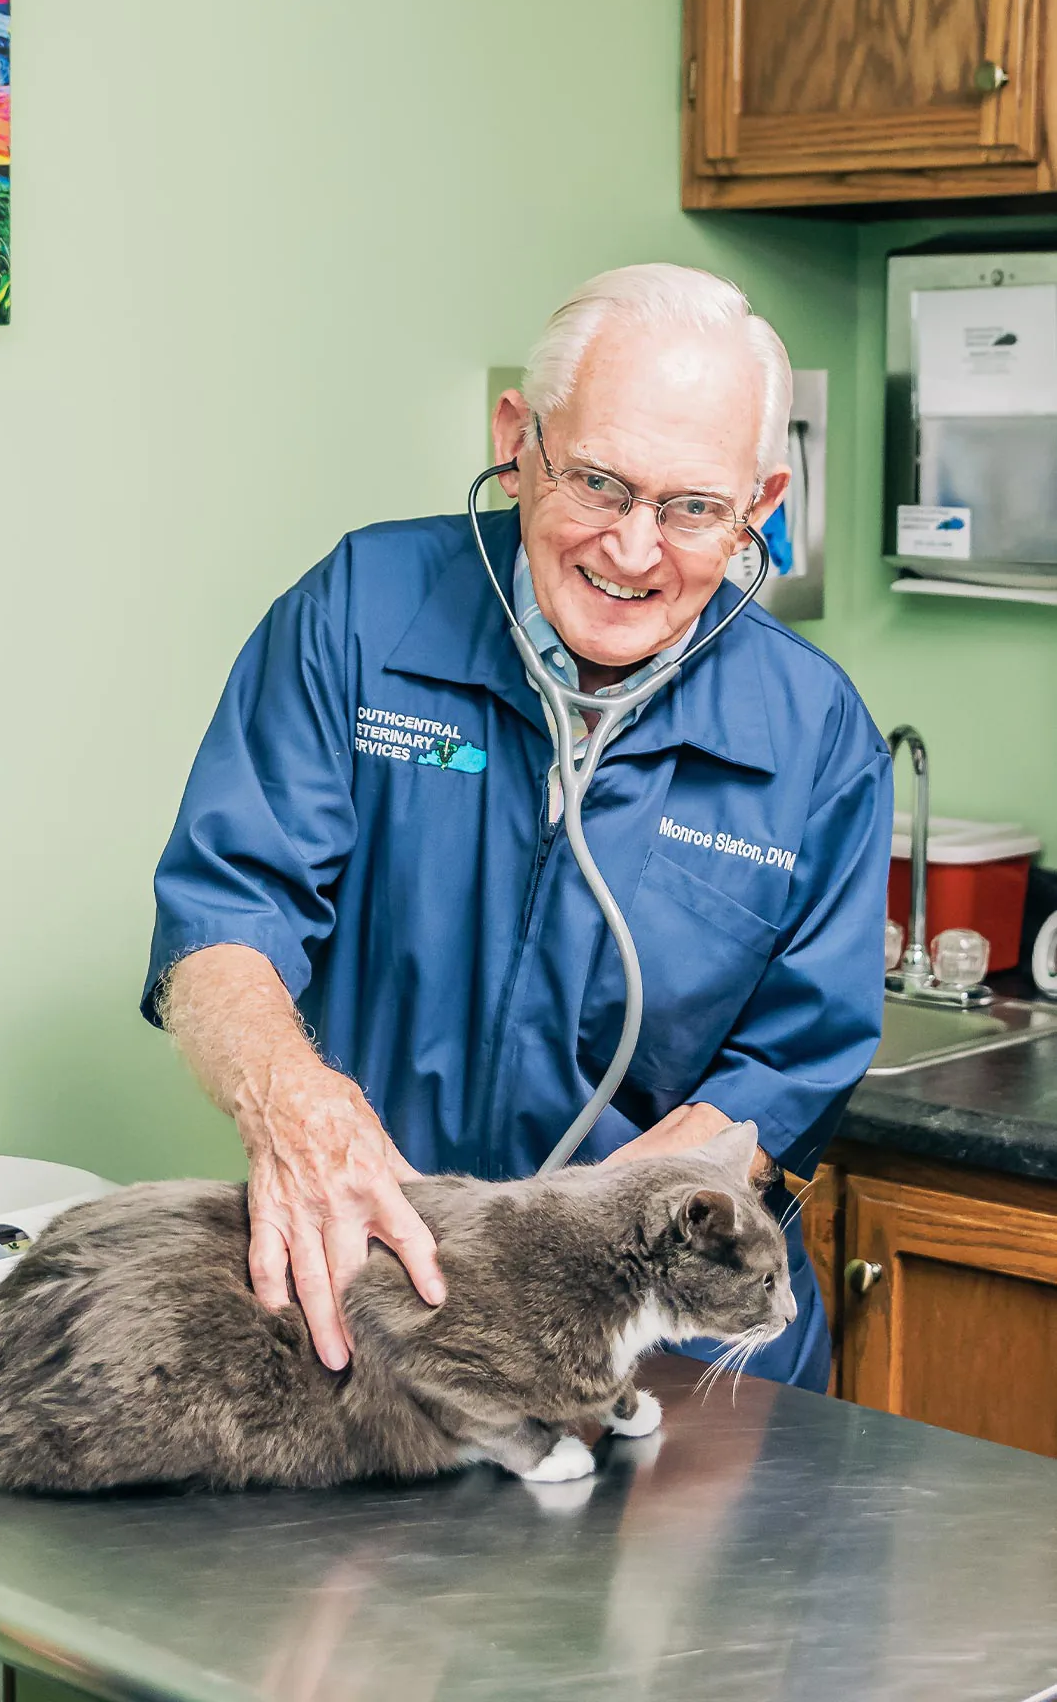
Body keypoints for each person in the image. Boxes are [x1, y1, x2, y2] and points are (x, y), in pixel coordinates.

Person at [144, 263, 892, 1390]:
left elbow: (796, 1058)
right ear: (518, 437)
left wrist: (611, 1228)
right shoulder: (362, 611)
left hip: (684, 1350)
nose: (635, 549)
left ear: (762, 506)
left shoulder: (818, 734)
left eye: (693, 508)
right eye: (597, 481)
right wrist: (295, 1104)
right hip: (392, 1303)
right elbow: (221, 918)